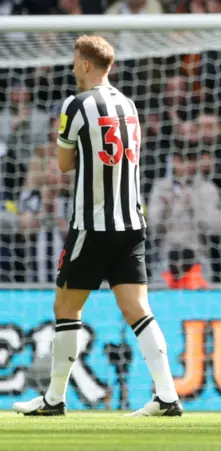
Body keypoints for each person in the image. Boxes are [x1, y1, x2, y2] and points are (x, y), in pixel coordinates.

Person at [12, 35, 182, 417]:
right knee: (138, 308)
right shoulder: (130, 105)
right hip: (132, 222)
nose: (72, 67)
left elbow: (63, 164)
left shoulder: (75, 105)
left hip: (93, 223)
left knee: (66, 307)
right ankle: (167, 395)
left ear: (87, 64)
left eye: (75, 61)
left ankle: (54, 399)